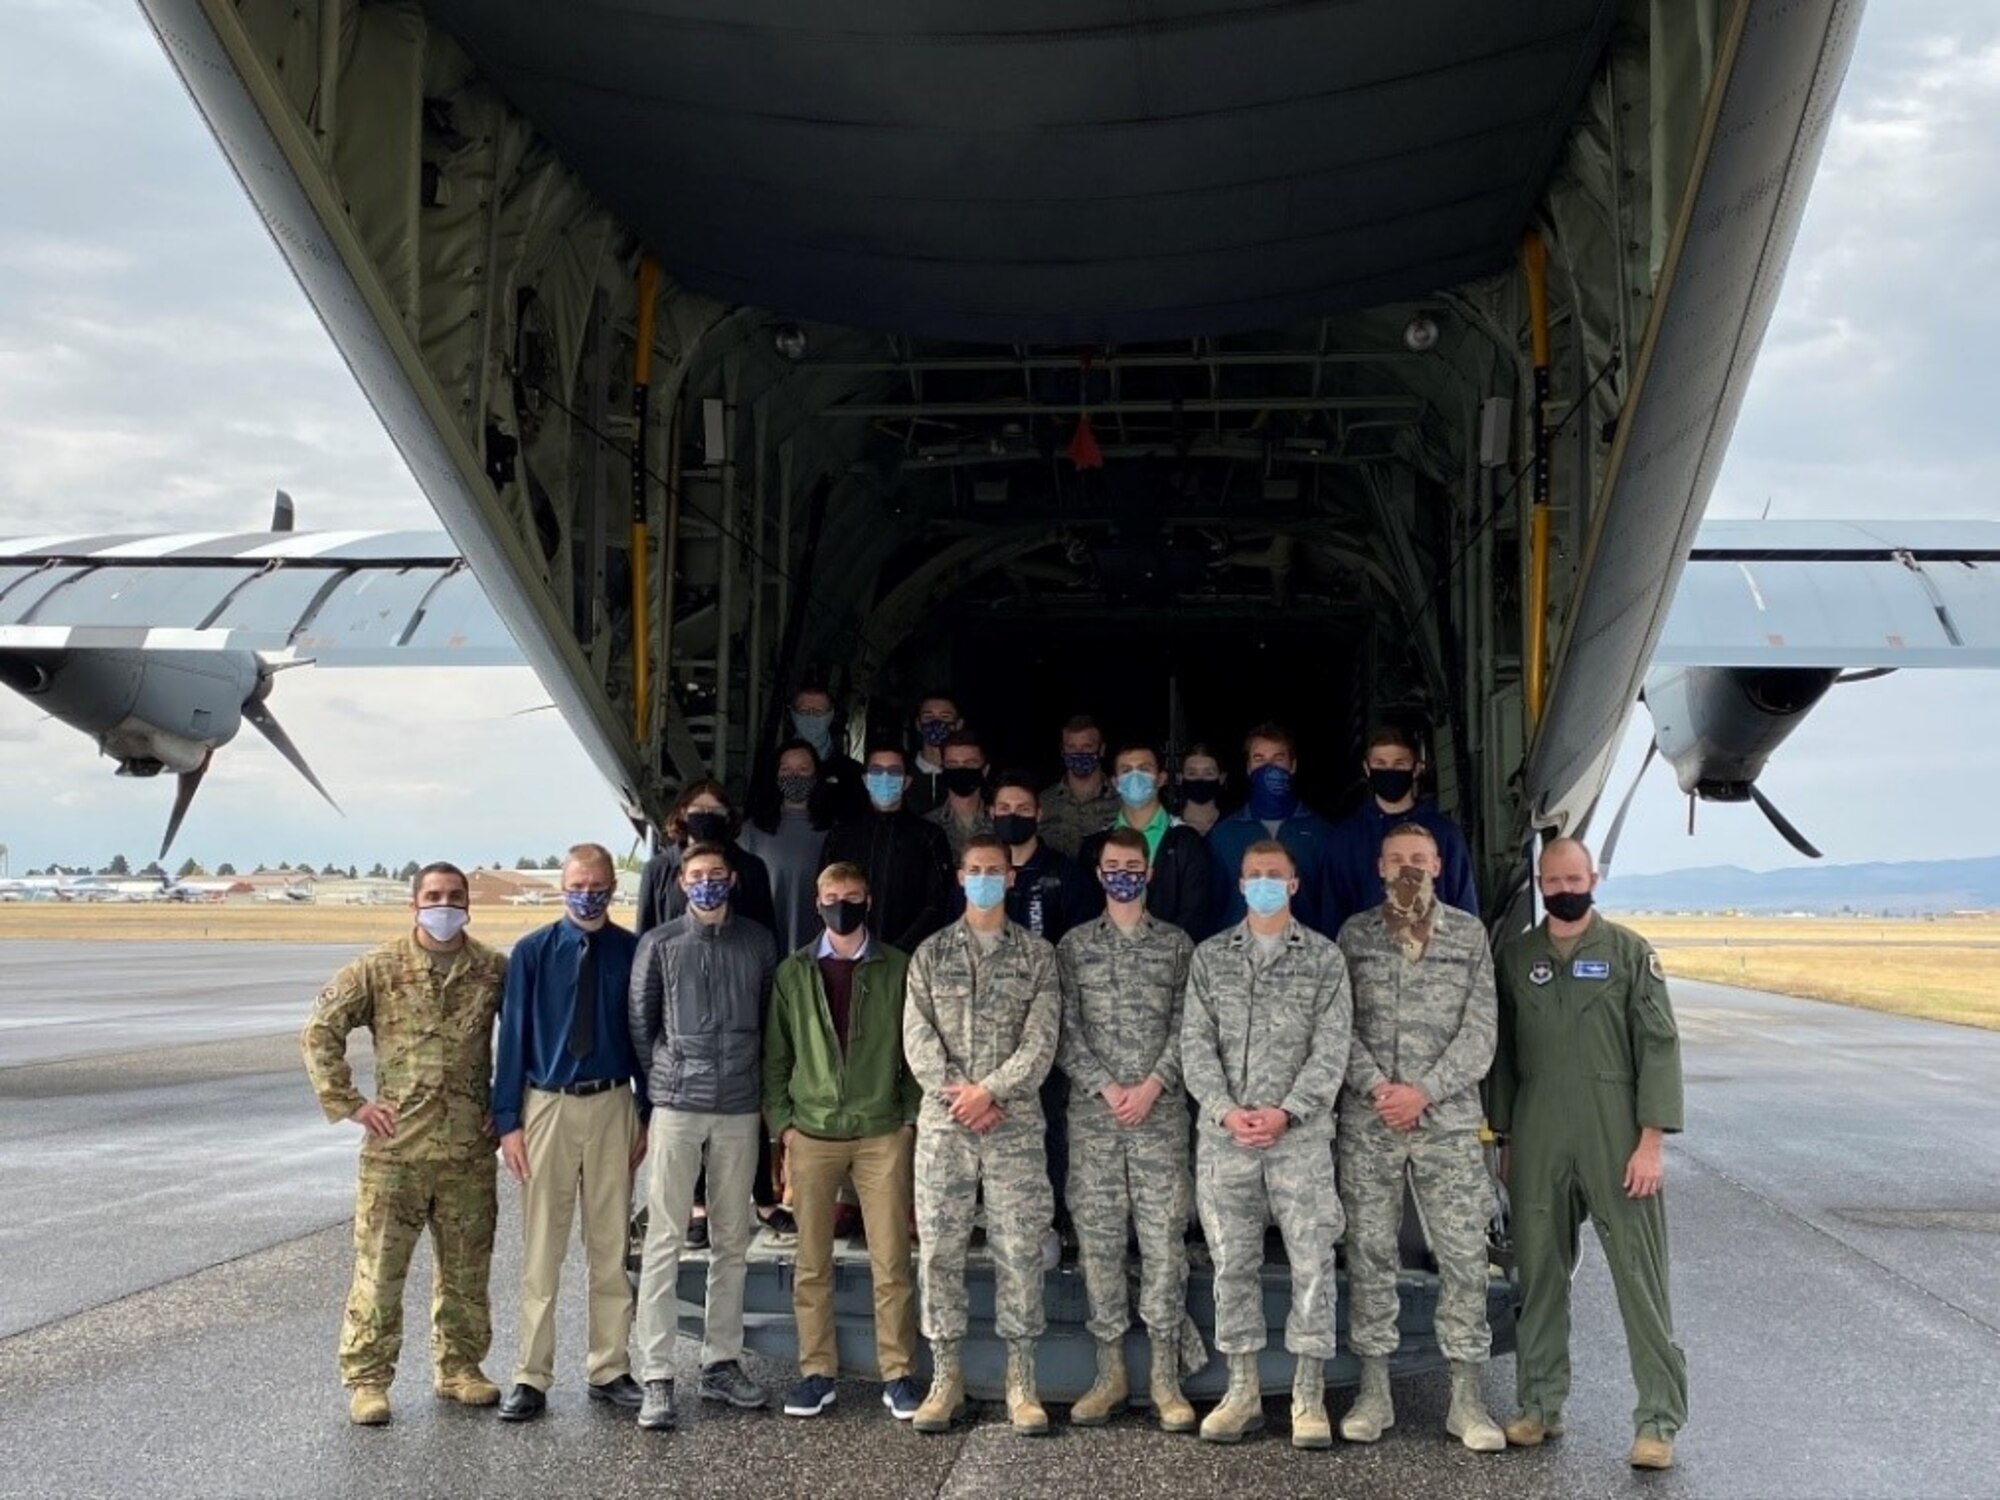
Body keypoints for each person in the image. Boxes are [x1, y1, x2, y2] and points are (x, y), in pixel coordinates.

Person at [1491, 838, 1686, 1472]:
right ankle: (1539, 1406)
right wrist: (1506, 1140)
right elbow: (1505, 1060)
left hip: (1616, 1130)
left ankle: (1657, 1419)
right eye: (1554, 878)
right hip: (1540, 1124)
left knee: (1639, 1277)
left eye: (1575, 876)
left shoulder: (1629, 953)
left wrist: (1651, 1142)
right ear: (1542, 884)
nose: (1565, 886)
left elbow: (1658, 1046)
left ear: (1593, 877)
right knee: (1539, 1274)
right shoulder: (1517, 958)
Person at [300, 862, 507, 1426]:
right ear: (415, 904)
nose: (445, 904)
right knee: (379, 1273)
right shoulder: (379, 968)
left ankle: (460, 1368)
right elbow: (320, 1030)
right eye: (434, 896)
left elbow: (527, 1039)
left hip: (467, 1154)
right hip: (396, 1156)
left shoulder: (492, 970)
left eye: (455, 896)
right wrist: (352, 1104)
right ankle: (368, 1381)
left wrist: (509, 1110)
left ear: (469, 903)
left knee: (467, 1274)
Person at [1334, 824, 1504, 1453]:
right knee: (1370, 1255)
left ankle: (1467, 1397)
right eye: (1397, 859)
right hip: (1372, 1121)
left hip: (1446, 1122)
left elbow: (1480, 1031)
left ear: (1437, 865)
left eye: (1420, 858)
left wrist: (1423, 1091)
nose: (1408, 867)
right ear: (1381, 867)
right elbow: (1336, 1026)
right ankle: (1373, 1391)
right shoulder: (1355, 936)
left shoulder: (1468, 934)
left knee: (1463, 1256)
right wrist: (1380, 1087)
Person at [1181, 840, 1351, 1448]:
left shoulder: (1326, 960)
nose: (1262, 884)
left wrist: (1287, 1112)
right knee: (1233, 1265)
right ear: (1240, 884)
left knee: (1311, 1263)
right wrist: (1228, 1113)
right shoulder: (1210, 959)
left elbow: (1331, 1050)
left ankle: (1308, 1396)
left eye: (1273, 876)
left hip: (1298, 1141)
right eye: (1253, 875)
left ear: (1295, 885)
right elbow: (1195, 1046)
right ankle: (1242, 1390)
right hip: (1227, 1142)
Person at [903, 836, 1060, 1437]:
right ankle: (946, 1380)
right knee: (941, 1251)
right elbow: (918, 1040)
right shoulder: (931, 955)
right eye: (976, 871)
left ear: (1012, 879)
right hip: (947, 1129)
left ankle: (1023, 1381)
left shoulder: (1038, 957)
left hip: (1013, 1126)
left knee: (1018, 1253)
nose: (986, 879)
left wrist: (990, 1091)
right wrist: (963, 1096)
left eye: (996, 870)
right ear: (961, 878)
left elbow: (1040, 1043)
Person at [492, 843, 649, 1422]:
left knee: (609, 1244)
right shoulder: (532, 953)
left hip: (611, 1103)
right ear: (563, 886)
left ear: (613, 886)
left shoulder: (632, 952)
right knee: (542, 1247)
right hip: (548, 1106)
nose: (589, 893)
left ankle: (609, 1367)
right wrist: (508, 1121)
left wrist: (647, 1112)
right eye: (579, 884)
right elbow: (511, 1041)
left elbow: (642, 1036)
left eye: (599, 884)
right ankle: (530, 1375)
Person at [762, 862, 923, 1422]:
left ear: (868, 901)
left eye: (852, 897)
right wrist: (784, 1126)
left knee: (891, 1261)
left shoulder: (898, 968)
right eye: (833, 897)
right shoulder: (793, 973)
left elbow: (914, 1053)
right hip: (813, 1134)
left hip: (881, 1134)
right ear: (817, 901)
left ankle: (898, 1375)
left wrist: (907, 1120)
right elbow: (776, 1058)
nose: (842, 906)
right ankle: (816, 1373)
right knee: (811, 1262)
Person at [628, 843, 779, 1431]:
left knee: (732, 1239)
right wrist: (666, 1083)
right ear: (681, 882)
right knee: (666, 1238)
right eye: (697, 876)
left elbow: (770, 1020)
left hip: (739, 1106)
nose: (708, 884)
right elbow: (643, 1026)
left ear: (733, 879)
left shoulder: (758, 943)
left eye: (717, 875)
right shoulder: (660, 945)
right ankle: (659, 1373)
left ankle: (720, 1361)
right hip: (677, 1106)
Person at [1056, 828, 1197, 1434]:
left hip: (1159, 1118)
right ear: (1098, 872)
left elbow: (1191, 1024)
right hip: (1096, 1121)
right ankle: (1109, 1372)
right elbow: (1063, 1028)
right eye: (1112, 865)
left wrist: (1153, 1084)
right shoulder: (1073, 946)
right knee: (1100, 1246)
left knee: (1165, 1245)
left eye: (1132, 865)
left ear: (1148, 871)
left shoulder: (1176, 945)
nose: (1122, 874)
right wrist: (1107, 1087)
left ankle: (1166, 1377)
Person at [1323, 725, 1479, 937]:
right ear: (1367, 769)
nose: (1389, 771)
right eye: (1380, 764)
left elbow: (1466, 911)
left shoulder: (1446, 835)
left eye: (1399, 764)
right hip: (1366, 960)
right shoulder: (1345, 838)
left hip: (1436, 961)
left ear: (1416, 769)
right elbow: (1333, 916)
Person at [820, 740, 956, 953]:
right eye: (877, 771)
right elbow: (826, 893)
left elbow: (937, 904)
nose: (884, 778)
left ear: (907, 781)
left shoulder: (929, 836)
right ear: (865, 780)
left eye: (893, 772)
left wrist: (899, 951)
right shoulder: (841, 835)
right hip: (850, 955)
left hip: (910, 959)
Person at [1207, 722, 1339, 937]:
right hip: (1235, 957)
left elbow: (1331, 905)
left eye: (1278, 758)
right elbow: (1213, 906)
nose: (1269, 767)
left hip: (1307, 956)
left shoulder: (1322, 833)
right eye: (1259, 759)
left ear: (1293, 765)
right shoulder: (1224, 834)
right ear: (1249, 768)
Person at [1078, 740, 1215, 939]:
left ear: (1161, 778)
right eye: (1126, 770)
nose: (1135, 776)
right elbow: (1086, 915)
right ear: (1115, 782)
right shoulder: (1094, 846)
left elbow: (1195, 914)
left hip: (1170, 961)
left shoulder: (1186, 842)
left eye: (1144, 769)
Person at [639, 780, 778, 937]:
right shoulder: (658, 869)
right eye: (698, 809)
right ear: (683, 813)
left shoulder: (751, 868)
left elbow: (766, 931)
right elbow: (644, 933)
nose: (706, 815)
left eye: (715, 810)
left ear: (727, 816)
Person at [742, 739, 840, 953]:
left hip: (820, 947)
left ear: (817, 775)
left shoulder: (834, 832)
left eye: (803, 769)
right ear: (774, 775)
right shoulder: (751, 831)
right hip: (763, 945)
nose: (794, 776)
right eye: (786, 769)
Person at [990, 770, 1093, 944]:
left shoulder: (1066, 875)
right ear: (992, 813)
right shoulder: (978, 874)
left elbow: (1082, 942)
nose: (1013, 816)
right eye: (1004, 808)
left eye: (1023, 809)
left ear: (1038, 814)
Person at [1038, 714, 1119, 858]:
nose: (1079, 753)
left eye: (1087, 746)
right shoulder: (1044, 802)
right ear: (1063, 750)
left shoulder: (1121, 800)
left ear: (1102, 749)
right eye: (1071, 747)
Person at [788, 680, 865, 819]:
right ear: (793, 713)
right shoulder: (771, 767)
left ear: (831, 715)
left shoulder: (852, 773)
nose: (811, 717)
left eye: (818, 712)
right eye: (804, 711)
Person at [926, 728, 994, 860]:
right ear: (942, 769)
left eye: (970, 763)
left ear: (985, 770)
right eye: (952, 764)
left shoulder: (1000, 823)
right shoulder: (927, 826)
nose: (961, 769)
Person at [904, 692, 963, 817]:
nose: (936, 723)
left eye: (945, 717)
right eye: (928, 717)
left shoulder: (967, 773)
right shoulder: (902, 771)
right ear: (918, 724)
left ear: (958, 724)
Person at [1173, 742, 1227, 836]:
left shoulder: (1232, 825)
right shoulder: (1170, 826)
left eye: (1209, 773)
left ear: (1221, 778)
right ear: (1180, 778)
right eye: (1192, 773)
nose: (1200, 779)